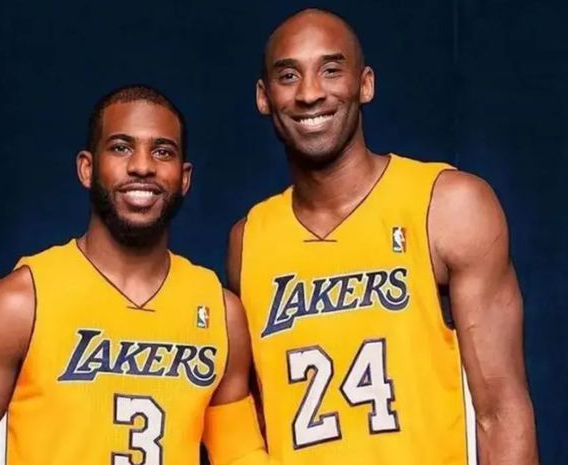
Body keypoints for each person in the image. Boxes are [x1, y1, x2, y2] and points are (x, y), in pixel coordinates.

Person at [227, 8, 538, 465]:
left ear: (365, 84)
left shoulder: (448, 205)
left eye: (331, 70)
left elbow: (501, 411)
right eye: (289, 76)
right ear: (263, 96)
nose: (310, 93)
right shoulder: (249, 241)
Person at [0, 85, 268, 465]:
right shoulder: (21, 302)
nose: (142, 166)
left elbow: (238, 454)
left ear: (184, 178)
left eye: (162, 151)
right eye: (121, 147)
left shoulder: (220, 313)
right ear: (87, 168)